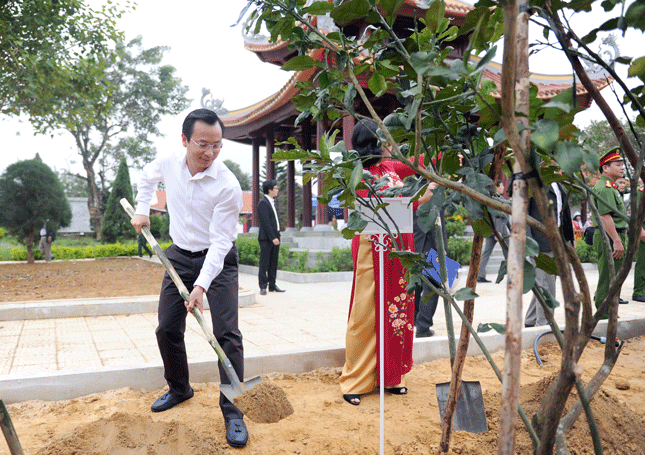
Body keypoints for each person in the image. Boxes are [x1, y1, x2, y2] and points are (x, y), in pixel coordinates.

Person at [130, 108, 248, 448]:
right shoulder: (169, 162)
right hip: (179, 254)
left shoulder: (227, 184)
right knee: (167, 327)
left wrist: (201, 286)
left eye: (217, 145)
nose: (209, 152)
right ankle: (180, 387)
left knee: (227, 333)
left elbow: (222, 242)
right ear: (185, 140)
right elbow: (146, 178)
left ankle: (234, 412)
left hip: (219, 260)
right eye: (202, 144)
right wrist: (142, 208)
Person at [340, 119, 426, 406]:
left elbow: (418, 162)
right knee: (366, 312)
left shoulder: (391, 167)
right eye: (385, 139)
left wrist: (442, 152)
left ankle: (391, 376)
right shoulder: (360, 175)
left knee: (398, 311)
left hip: (400, 250)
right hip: (372, 249)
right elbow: (386, 207)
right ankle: (356, 379)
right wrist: (421, 198)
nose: (391, 144)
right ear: (374, 143)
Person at [524, 182, 574, 327]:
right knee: (546, 285)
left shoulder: (558, 184)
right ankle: (544, 325)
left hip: (558, 241)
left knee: (545, 283)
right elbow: (523, 213)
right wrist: (528, 242)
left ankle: (531, 320)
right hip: (539, 244)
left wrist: (569, 239)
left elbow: (564, 213)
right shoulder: (532, 181)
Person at [592, 148, 631, 315]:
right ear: (605, 168)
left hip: (615, 235)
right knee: (608, 278)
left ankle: (611, 312)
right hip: (609, 237)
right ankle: (604, 315)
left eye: (622, 164)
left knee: (615, 278)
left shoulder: (612, 187)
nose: (622, 167)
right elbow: (605, 217)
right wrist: (616, 240)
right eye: (618, 164)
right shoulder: (605, 188)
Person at [413, 198, 446, 338]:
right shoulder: (433, 190)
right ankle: (423, 327)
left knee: (415, 286)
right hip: (430, 243)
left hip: (413, 242)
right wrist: (441, 247)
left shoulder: (410, 188)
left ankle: (415, 322)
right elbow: (436, 224)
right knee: (433, 287)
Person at [477, 181, 510, 283]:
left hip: (490, 229)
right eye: (502, 185)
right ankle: (513, 274)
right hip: (499, 230)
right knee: (509, 252)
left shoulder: (489, 198)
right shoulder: (498, 199)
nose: (503, 187)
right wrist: (499, 231)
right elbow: (498, 215)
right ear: (497, 187)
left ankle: (480, 274)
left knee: (486, 253)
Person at [257, 179, 285, 295]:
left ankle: (272, 285)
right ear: (269, 190)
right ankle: (263, 286)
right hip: (266, 238)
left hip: (275, 235)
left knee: (273, 262)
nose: (277, 190)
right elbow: (266, 223)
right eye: (276, 188)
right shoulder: (263, 203)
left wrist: (277, 235)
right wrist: (273, 237)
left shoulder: (273, 202)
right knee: (264, 262)